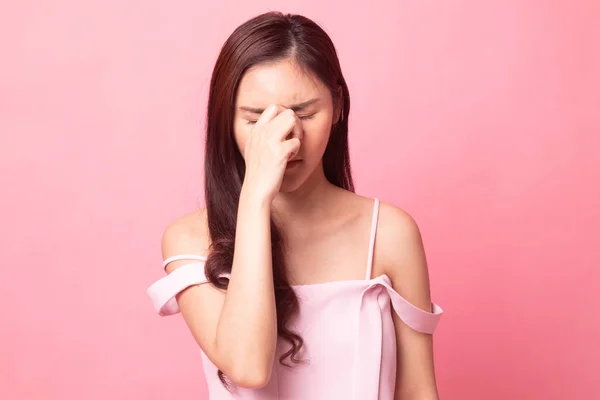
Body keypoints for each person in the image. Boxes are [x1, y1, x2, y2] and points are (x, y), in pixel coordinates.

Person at [147, 11, 443, 400]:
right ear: (226, 120)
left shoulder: (389, 232)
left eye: (304, 113)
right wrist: (254, 197)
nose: (286, 137)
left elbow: (419, 391)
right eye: (255, 119)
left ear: (337, 107)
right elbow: (248, 367)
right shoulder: (189, 239)